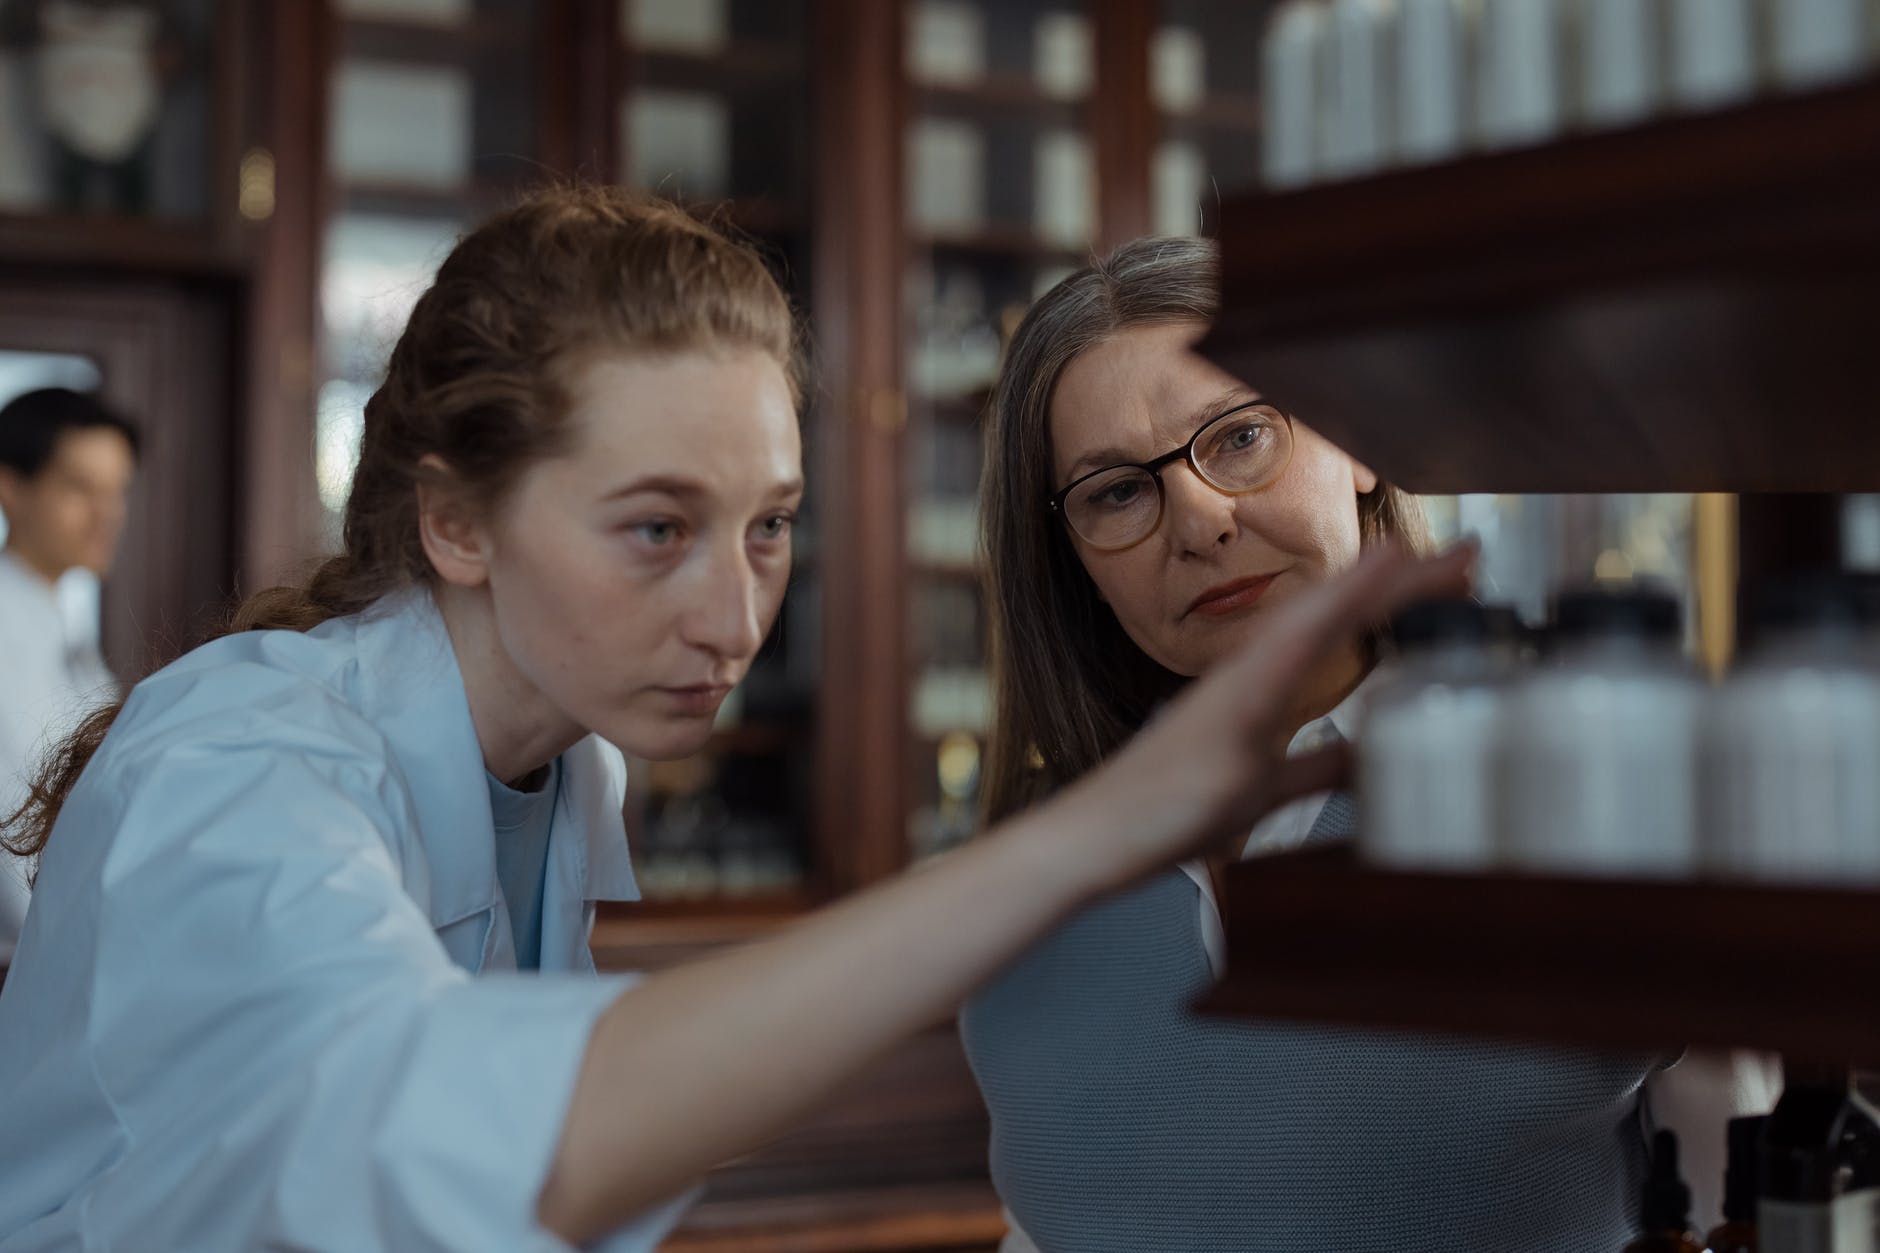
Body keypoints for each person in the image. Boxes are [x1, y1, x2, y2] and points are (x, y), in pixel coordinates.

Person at [0, 186, 1475, 1252]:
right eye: (656, 530)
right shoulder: (239, 761)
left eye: (767, 528)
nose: (735, 618)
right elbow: (412, 1151)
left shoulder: (563, 762)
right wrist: (1100, 832)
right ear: (455, 521)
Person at [960, 236, 1773, 1253]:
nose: (1199, 519)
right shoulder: (1016, 883)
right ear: (1069, 556)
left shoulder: (1581, 786)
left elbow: (1738, 1202)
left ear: (1357, 441)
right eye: (1115, 491)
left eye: (1240, 434)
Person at [0, 386, 136, 966]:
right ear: (10, 487)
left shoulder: (62, 622)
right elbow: (13, 825)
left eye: (119, 491)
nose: (108, 514)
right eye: (81, 488)